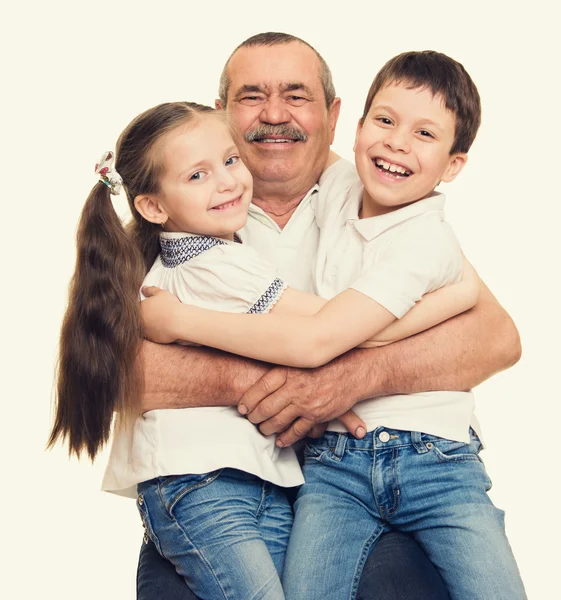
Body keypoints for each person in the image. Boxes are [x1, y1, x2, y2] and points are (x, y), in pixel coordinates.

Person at [136, 33, 520, 599]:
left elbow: (495, 337)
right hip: (219, 491)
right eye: (250, 97)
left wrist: (350, 378)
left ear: (336, 116)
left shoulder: (375, 188)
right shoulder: (175, 209)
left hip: (362, 473)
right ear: (220, 115)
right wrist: (278, 386)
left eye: (296, 95)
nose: (274, 115)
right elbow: (113, 370)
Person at [48, 100, 471, 599]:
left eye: (230, 161)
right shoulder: (217, 265)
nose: (227, 182)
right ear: (154, 206)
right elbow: (332, 325)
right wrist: (452, 298)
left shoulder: (216, 254)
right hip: (204, 483)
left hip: (255, 480)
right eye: (198, 175)